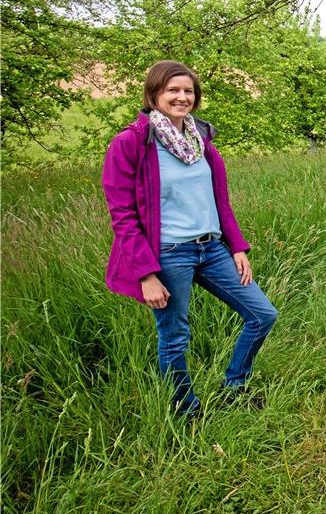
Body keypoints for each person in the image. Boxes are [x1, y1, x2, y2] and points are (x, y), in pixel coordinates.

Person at [102, 61, 278, 419]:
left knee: (263, 315)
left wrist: (238, 247)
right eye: (173, 90)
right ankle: (186, 411)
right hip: (166, 255)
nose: (182, 97)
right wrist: (145, 274)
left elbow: (220, 200)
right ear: (154, 95)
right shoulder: (132, 143)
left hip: (211, 248)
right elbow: (123, 215)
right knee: (175, 336)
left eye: (188, 91)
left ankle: (235, 388)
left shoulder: (201, 141)